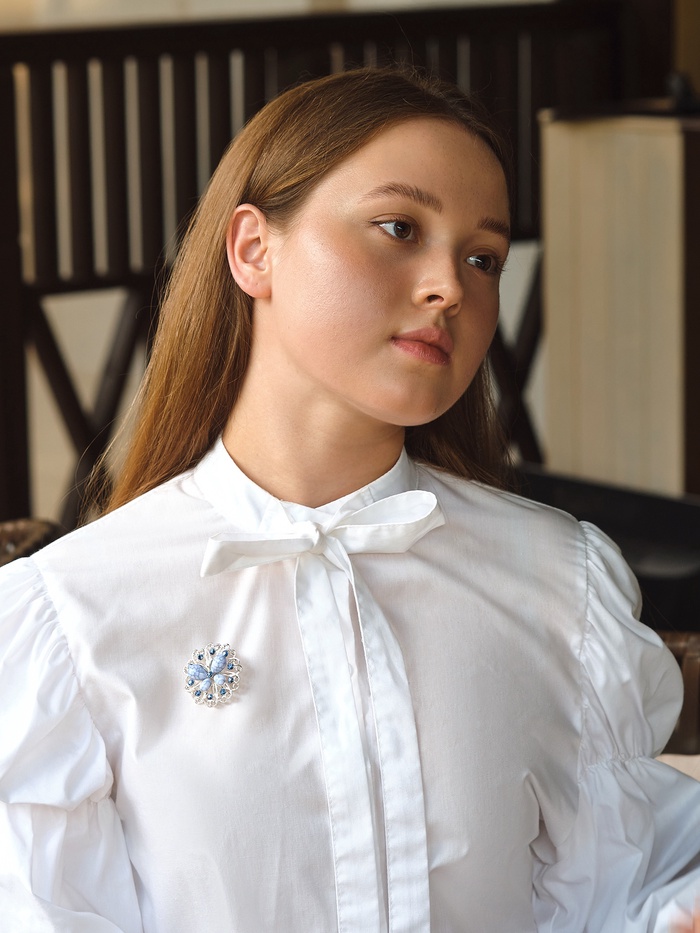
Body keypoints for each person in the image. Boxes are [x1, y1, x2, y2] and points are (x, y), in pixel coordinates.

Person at [0, 66, 698, 933]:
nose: (450, 286)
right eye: (399, 228)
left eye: (483, 258)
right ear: (253, 249)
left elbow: (618, 889)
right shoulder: (69, 613)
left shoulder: (561, 581)